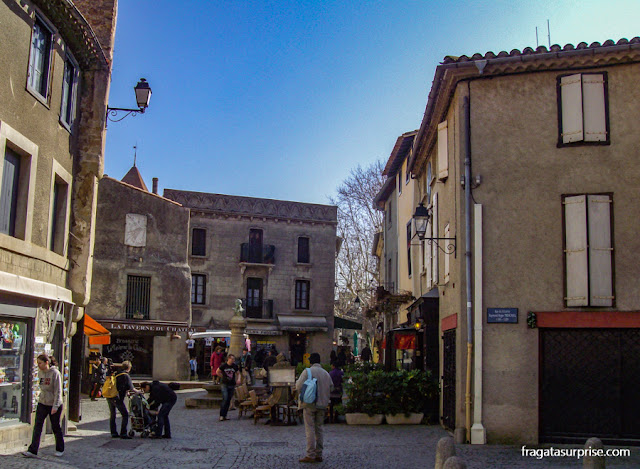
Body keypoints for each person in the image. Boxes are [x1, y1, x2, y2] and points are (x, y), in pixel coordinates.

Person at [23, 354, 64, 458]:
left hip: (54, 404)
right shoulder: (41, 372)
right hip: (42, 402)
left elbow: (58, 391)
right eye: (37, 363)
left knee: (56, 427)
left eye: (40, 363)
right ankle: (33, 450)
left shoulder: (55, 373)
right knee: (37, 426)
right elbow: (41, 386)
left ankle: (60, 448)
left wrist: (55, 406)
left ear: (46, 362)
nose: (38, 365)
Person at [295, 352, 332, 463]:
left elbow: (298, 386)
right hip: (322, 404)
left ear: (311, 361)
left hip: (309, 404)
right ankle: (319, 454)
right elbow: (331, 386)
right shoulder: (326, 373)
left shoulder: (307, 372)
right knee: (319, 428)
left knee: (310, 428)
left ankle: (310, 454)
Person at [107, 360, 134, 438]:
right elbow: (132, 388)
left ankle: (113, 433)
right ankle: (123, 433)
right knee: (125, 414)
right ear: (129, 368)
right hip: (117, 398)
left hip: (110, 396)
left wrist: (126, 391)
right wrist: (139, 391)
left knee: (113, 414)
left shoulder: (116, 373)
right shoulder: (126, 375)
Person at [217, 354, 240, 421]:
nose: (233, 360)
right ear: (229, 359)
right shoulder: (223, 366)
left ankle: (225, 415)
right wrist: (223, 377)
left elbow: (238, 373)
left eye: (234, 359)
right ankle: (221, 415)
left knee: (228, 400)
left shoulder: (234, 366)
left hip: (232, 384)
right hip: (224, 384)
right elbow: (217, 371)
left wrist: (238, 379)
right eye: (232, 359)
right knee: (225, 398)